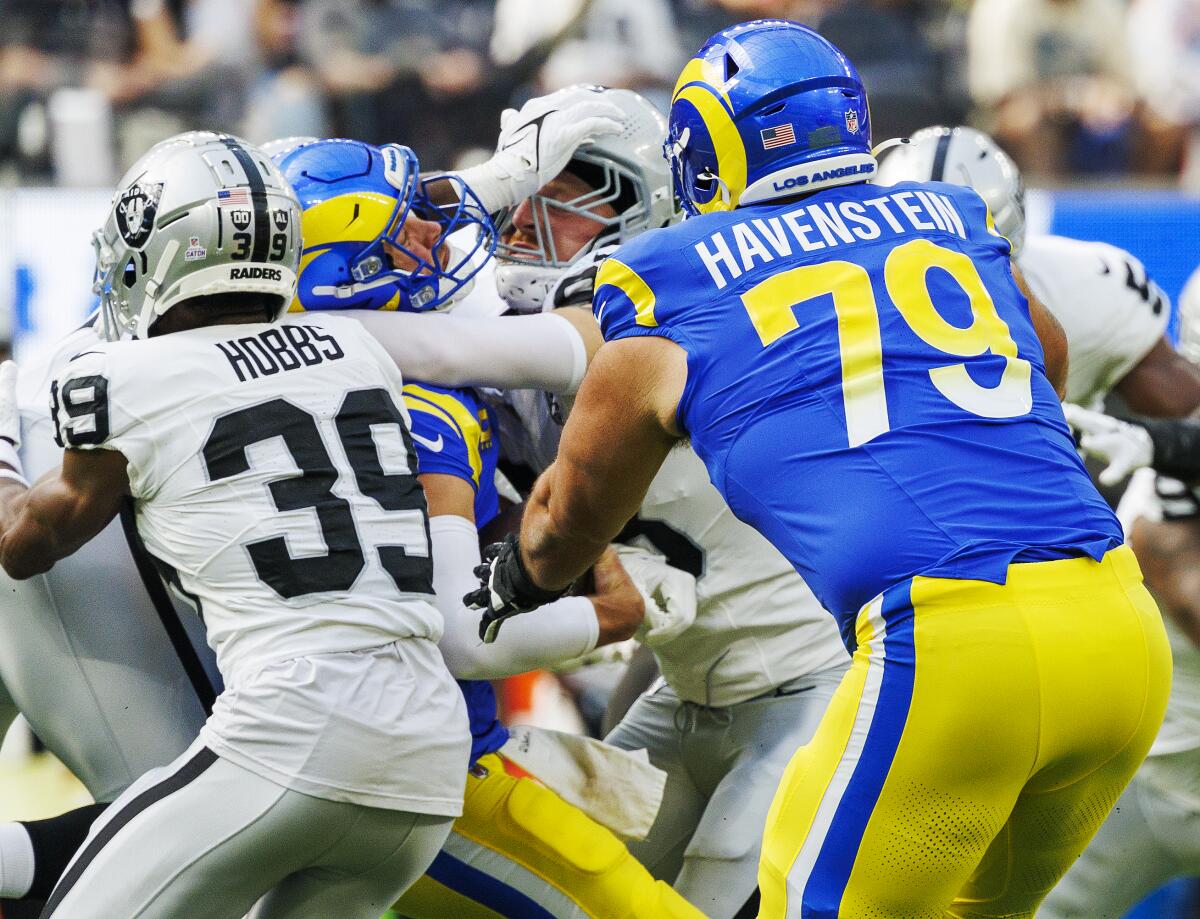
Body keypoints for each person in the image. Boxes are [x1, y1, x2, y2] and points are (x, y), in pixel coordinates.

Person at [467, 20, 1172, 918]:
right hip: (1117, 628)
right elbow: (1046, 356)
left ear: (706, 149)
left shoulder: (668, 275)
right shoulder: (950, 216)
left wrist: (521, 579)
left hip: (949, 646)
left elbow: (568, 517)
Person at [0, 89, 621, 910]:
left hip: (287, 728)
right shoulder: (361, 352)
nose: (428, 241)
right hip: (425, 765)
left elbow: (20, 541)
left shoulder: (125, 377)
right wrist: (493, 184)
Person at [280, 132, 706, 919]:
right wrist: (614, 612)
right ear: (353, 279)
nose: (430, 234)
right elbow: (463, 638)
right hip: (422, 769)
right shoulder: (426, 411)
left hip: (297, 746)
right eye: (400, 231)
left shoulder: (291, 390)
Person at [488, 84, 851, 919]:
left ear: (642, 201)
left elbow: (490, 347)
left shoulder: (664, 320)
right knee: (569, 889)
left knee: (716, 890)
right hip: (690, 692)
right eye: (522, 189)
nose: (523, 218)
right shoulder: (521, 336)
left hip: (809, 685)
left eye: (557, 194)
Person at [875, 124, 1200, 917]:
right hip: (902, 587)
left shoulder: (1086, 295)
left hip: (1061, 587)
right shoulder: (813, 324)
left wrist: (1160, 444)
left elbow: (1181, 417)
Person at [876, 124, 1196, 415]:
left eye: (968, 258)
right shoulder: (837, 308)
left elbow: (1186, 412)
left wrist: (1154, 445)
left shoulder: (1091, 286)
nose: (942, 279)